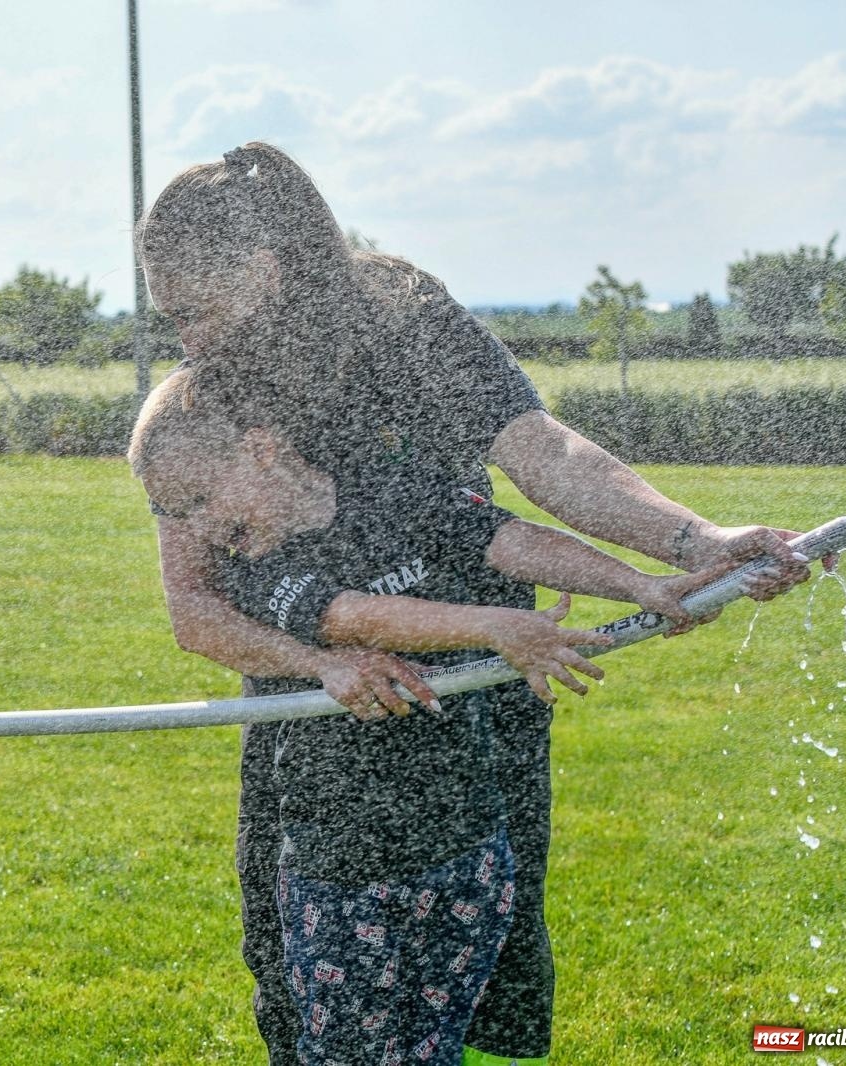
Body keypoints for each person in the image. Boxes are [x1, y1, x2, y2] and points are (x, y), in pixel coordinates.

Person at [133, 142, 811, 1066]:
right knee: (309, 1010)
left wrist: (693, 545)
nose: (186, 342)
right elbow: (194, 603)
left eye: (193, 313)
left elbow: (541, 454)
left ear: (262, 270)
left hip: (483, 691)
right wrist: (321, 662)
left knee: (468, 978)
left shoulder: (405, 319)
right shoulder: (210, 398)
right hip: (326, 722)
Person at [129, 370, 725, 1064]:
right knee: (348, 1049)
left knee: (439, 1041)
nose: (198, 530)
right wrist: (494, 628)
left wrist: (641, 583)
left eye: (199, 501)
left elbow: (506, 539)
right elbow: (351, 615)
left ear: (261, 450)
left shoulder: (391, 491)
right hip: (340, 861)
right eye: (180, 513)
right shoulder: (258, 571)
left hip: (465, 835)